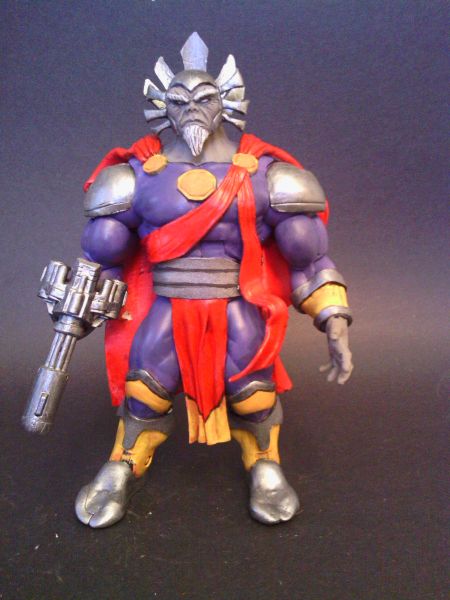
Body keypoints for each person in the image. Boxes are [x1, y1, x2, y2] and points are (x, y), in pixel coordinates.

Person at [75, 33, 353, 528]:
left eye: (204, 99)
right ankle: (122, 465)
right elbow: (102, 258)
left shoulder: (267, 176)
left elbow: (309, 257)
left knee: (254, 393)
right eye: (179, 101)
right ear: (161, 106)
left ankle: (265, 465)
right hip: (167, 307)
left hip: (236, 305)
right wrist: (80, 308)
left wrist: (333, 317)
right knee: (145, 390)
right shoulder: (135, 177)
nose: (192, 111)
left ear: (226, 102)